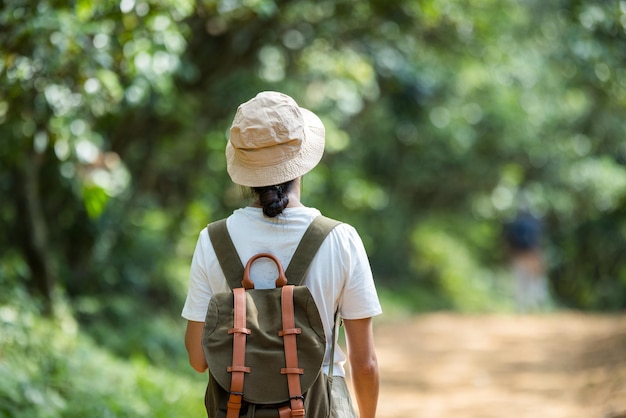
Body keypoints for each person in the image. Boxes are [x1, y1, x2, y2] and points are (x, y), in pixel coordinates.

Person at [181, 91, 382, 418]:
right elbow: (365, 363)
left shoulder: (212, 240)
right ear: (301, 159)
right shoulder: (340, 239)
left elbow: (198, 359)